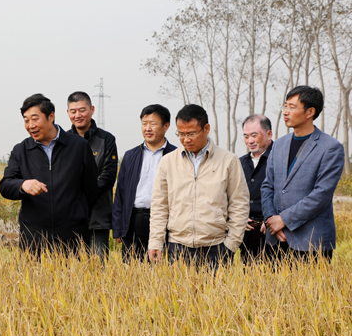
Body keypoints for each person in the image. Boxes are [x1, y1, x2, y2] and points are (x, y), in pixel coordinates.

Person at [148, 104, 249, 268]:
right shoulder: (168, 162)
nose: (186, 139)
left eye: (191, 134)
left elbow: (239, 204)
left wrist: (231, 244)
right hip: (177, 247)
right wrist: (155, 241)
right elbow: (159, 206)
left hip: (216, 247)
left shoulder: (228, 161)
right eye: (181, 134)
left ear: (206, 129)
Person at [0, 93, 98, 256]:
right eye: (26, 120)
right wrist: (23, 185)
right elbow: (5, 185)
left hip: (73, 237)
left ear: (51, 116)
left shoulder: (79, 146)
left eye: (35, 119)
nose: (30, 125)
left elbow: (91, 189)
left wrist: (78, 215)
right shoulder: (21, 150)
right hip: (34, 238)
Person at [261, 86, 345, 262]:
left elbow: (321, 194)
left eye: (292, 107)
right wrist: (270, 219)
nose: (285, 112)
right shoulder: (279, 145)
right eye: (285, 106)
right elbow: (268, 185)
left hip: (311, 242)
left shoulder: (330, 147)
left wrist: (283, 220)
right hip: (275, 239)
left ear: (310, 112)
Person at [112, 104, 176, 262]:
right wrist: (118, 226)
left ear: (166, 126)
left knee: (162, 268)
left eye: (153, 124)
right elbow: (120, 193)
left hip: (164, 221)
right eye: (144, 123)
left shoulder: (176, 155)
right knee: (131, 268)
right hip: (133, 219)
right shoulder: (130, 156)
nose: (148, 128)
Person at [66, 91, 118, 261]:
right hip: (70, 217)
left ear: (92, 109)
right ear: (67, 113)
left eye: (82, 110)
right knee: (70, 269)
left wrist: (82, 192)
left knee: (98, 268)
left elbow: (108, 176)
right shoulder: (63, 141)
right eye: (73, 111)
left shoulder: (107, 139)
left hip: (98, 217)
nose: (78, 115)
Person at [239, 114, 273, 264]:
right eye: (246, 136)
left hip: (274, 232)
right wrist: (238, 218)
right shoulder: (239, 163)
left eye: (254, 135)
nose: (250, 141)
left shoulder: (280, 159)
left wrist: (273, 217)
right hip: (246, 234)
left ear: (269, 134)